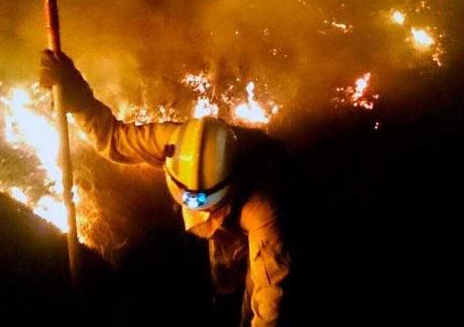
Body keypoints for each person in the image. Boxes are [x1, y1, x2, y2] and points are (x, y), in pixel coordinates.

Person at [40, 50, 290, 327]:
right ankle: (223, 306)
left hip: (259, 217)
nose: (196, 205)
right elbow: (115, 138)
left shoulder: (264, 207)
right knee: (225, 280)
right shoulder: (176, 143)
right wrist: (78, 99)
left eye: (205, 200)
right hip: (225, 219)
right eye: (190, 198)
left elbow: (272, 300)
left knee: (255, 295)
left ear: (230, 183)